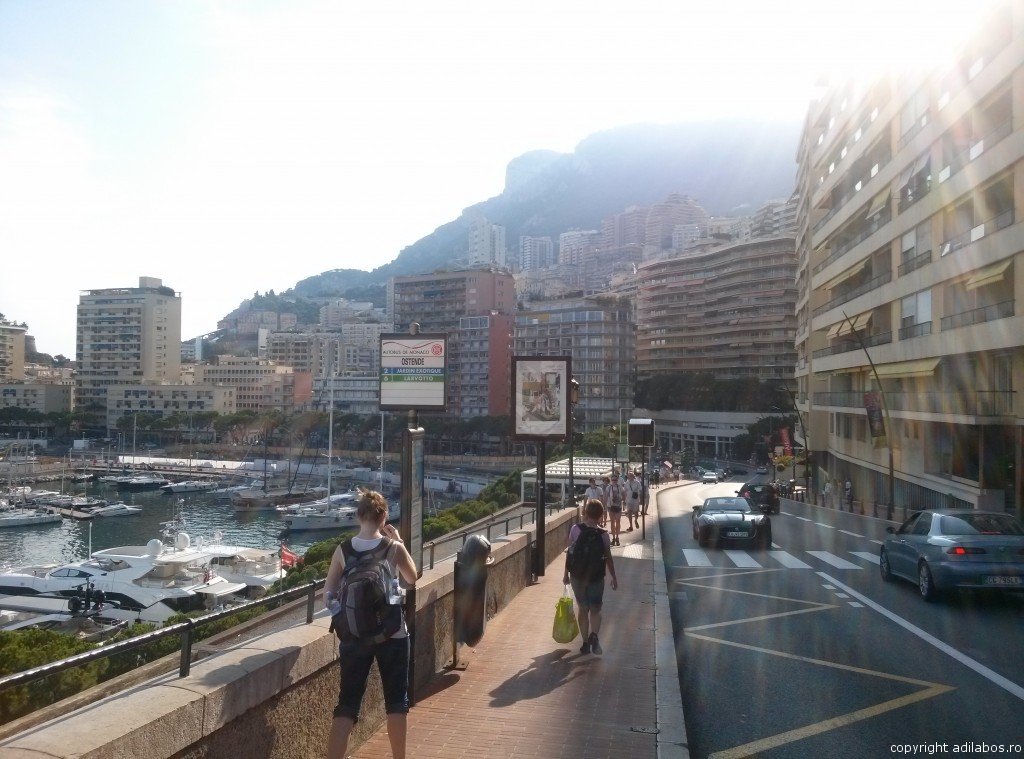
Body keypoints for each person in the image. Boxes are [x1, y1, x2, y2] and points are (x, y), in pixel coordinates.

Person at [325, 489, 417, 759]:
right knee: (396, 703)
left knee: (347, 705)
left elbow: (327, 595)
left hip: (354, 637)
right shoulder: (393, 547)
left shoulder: (343, 550)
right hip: (393, 633)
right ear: (383, 517)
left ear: (358, 515)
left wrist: (344, 617)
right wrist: (399, 541)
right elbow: (411, 578)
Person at [562, 499, 618, 655]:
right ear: (600, 515)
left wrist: (566, 574)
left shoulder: (575, 529)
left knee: (583, 608)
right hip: (596, 576)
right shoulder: (604, 535)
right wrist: (614, 577)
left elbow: (570, 554)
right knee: (595, 609)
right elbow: (608, 558)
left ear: (586, 512)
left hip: (578, 576)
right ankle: (595, 635)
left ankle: (585, 642)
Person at [604, 473, 626, 546]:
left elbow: (623, 494)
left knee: (618, 521)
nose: (614, 481)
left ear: (617, 480)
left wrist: (624, 501)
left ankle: (617, 537)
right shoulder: (609, 487)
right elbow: (606, 496)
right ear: (611, 480)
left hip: (618, 506)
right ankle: (613, 538)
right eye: (613, 480)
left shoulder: (620, 487)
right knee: (612, 522)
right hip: (611, 506)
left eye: (615, 480)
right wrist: (604, 505)